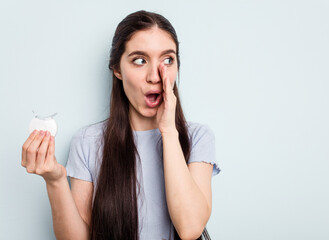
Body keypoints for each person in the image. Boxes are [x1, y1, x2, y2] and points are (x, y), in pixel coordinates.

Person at [21, 10, 221, 240]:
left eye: (168, 60)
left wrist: (168, 131)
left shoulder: (198, 137)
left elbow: (190, 228)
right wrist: (55, 181)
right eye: (139, 60)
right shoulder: (88, 142)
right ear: (117, 69)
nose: (155, 76)